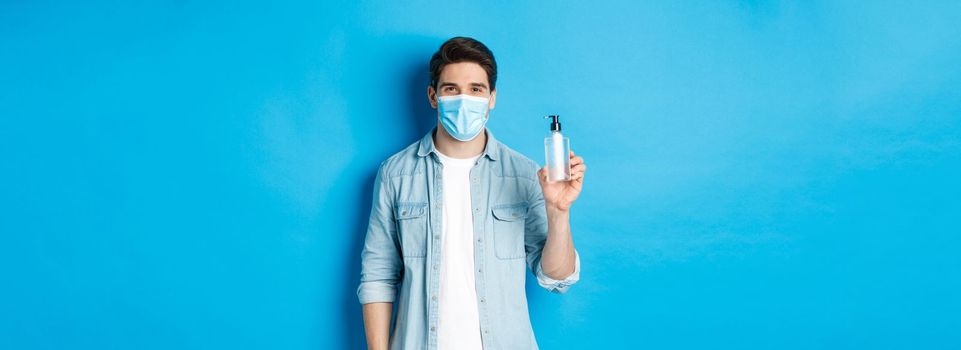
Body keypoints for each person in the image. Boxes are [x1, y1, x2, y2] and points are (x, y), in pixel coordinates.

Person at [357, 36, 587, 350]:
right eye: (451, 88)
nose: (464, 99)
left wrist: (559, 211)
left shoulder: (524, 173)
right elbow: (377, 278)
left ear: (492, 97)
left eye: (476, 89)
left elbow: (557, 278)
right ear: (433, 96)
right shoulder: (395, 174)